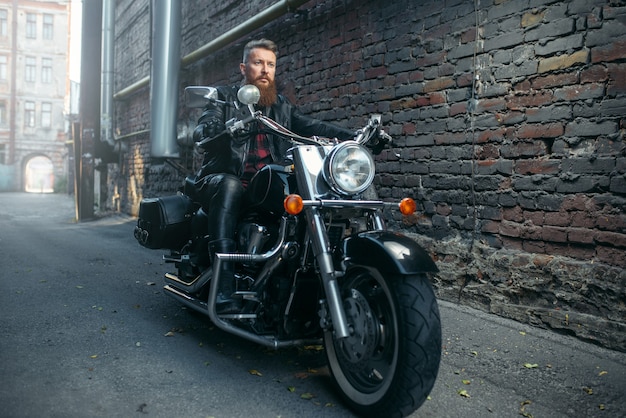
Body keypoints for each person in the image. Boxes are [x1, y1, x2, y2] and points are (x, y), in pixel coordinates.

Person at [192, 39, 356, 314]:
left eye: (270, 64)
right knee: (231, 186)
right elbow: (202, 131)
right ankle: (224, 284)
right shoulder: (223, 97)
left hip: (265, 184)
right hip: (223, 179)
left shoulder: (281, 106)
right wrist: (220, 129)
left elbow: (310, 125)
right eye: (258, 63)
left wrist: (354, 137)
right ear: (244, 68)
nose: (265, 70)